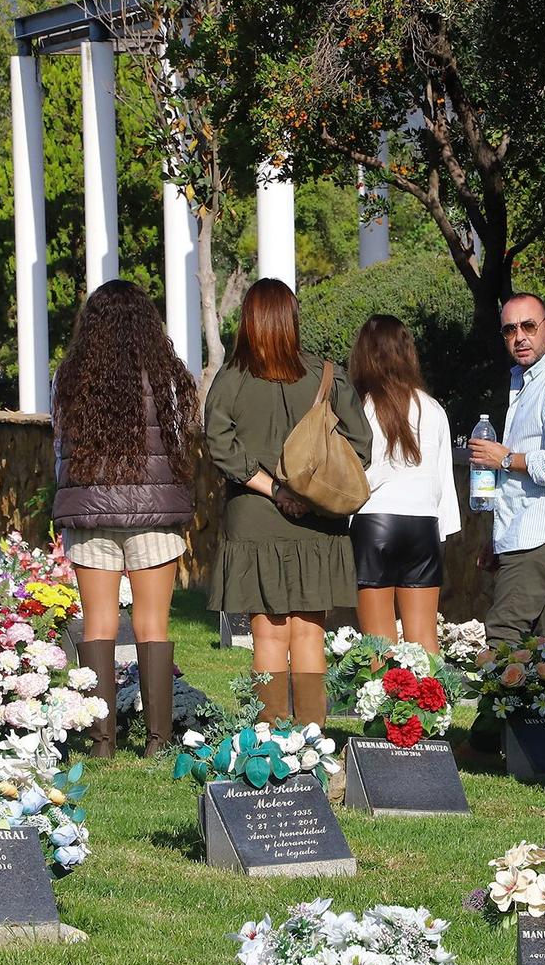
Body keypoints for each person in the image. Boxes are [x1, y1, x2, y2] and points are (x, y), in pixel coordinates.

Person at [204, 278, 372, 727]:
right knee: (311, 635)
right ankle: (312, 741)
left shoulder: (231, 380)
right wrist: (309, 489)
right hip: (318, 526)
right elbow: (362, 446)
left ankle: (272, 740)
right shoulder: (326, 375)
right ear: (292, 319)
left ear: (249, 321)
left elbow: (219, 445)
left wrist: (273, 488)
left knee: (268, 636)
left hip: (255, 521)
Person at [51, 280, 201, 759]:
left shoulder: (71, 376)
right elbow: (180, 441)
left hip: (90, 511)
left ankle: (101, 742)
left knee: (98, 624)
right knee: (152, 623)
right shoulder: (167, 376)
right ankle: (157, 742)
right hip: (155, 513)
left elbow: (60, 447)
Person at [465, 292, 545, 750]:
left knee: (503, 634)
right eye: (509, 329)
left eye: (528, 327)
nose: (518, 337)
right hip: (530, 529)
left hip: (544, 528)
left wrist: (506, 458)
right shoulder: (524, 378)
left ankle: (484, 738)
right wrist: (497, 534)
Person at [348, 315, 459, 657]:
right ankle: (434, 709)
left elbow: (354, 476)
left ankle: (384, 710)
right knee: (425, 640)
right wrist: (442, 534)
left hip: (373, 522)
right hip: (424, 523)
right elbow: (443, 482)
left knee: (379, 644)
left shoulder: (360, 408)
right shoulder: (433, 409)